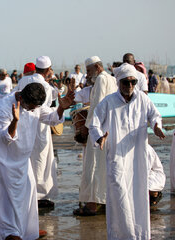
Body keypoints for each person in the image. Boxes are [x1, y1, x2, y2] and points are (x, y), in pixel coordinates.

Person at [0, 82, 74, 240]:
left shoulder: (34, 105)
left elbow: (51, 118)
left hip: (23, 157)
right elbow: (5, 138)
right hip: (4, 158)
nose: (33, 110)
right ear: (21, 97)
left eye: (36, 107)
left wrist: (62, 108)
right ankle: (10, 233)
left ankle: (28, 230)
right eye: (31, 107)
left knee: (28, 193)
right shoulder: (3, 107)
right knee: (8, 196)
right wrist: (15, 121)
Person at [89, 63, 165, 239]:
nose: (129, 86)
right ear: (118, 82)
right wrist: (99, 138)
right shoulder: (108, 102)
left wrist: (156, 126)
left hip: (137, 158)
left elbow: (154, 115)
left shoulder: (143, 100)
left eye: (132, 82)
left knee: (138, 198)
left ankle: (138, 235)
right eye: (125, 82)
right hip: (116, 157)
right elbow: (94, 123)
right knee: (119, 196)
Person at [13, 56, 61, 208]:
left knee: (27, 159)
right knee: (41, 160)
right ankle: (40, 195)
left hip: (22, 124)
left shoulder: (23, 80)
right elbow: (45, 108)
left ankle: (27, 191)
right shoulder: (44, 85)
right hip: (40, 126)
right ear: (48, 70)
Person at [74, 56, 118, 216]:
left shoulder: (101, 80)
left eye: (88, 71)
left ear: (97, 68)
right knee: (104, 167)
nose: (87, 74)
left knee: (93, 166)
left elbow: (97, 106)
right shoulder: (112, 79)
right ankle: (104, 203)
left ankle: (92, 205)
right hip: (110, 129)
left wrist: (87, 128)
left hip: (98, 130)